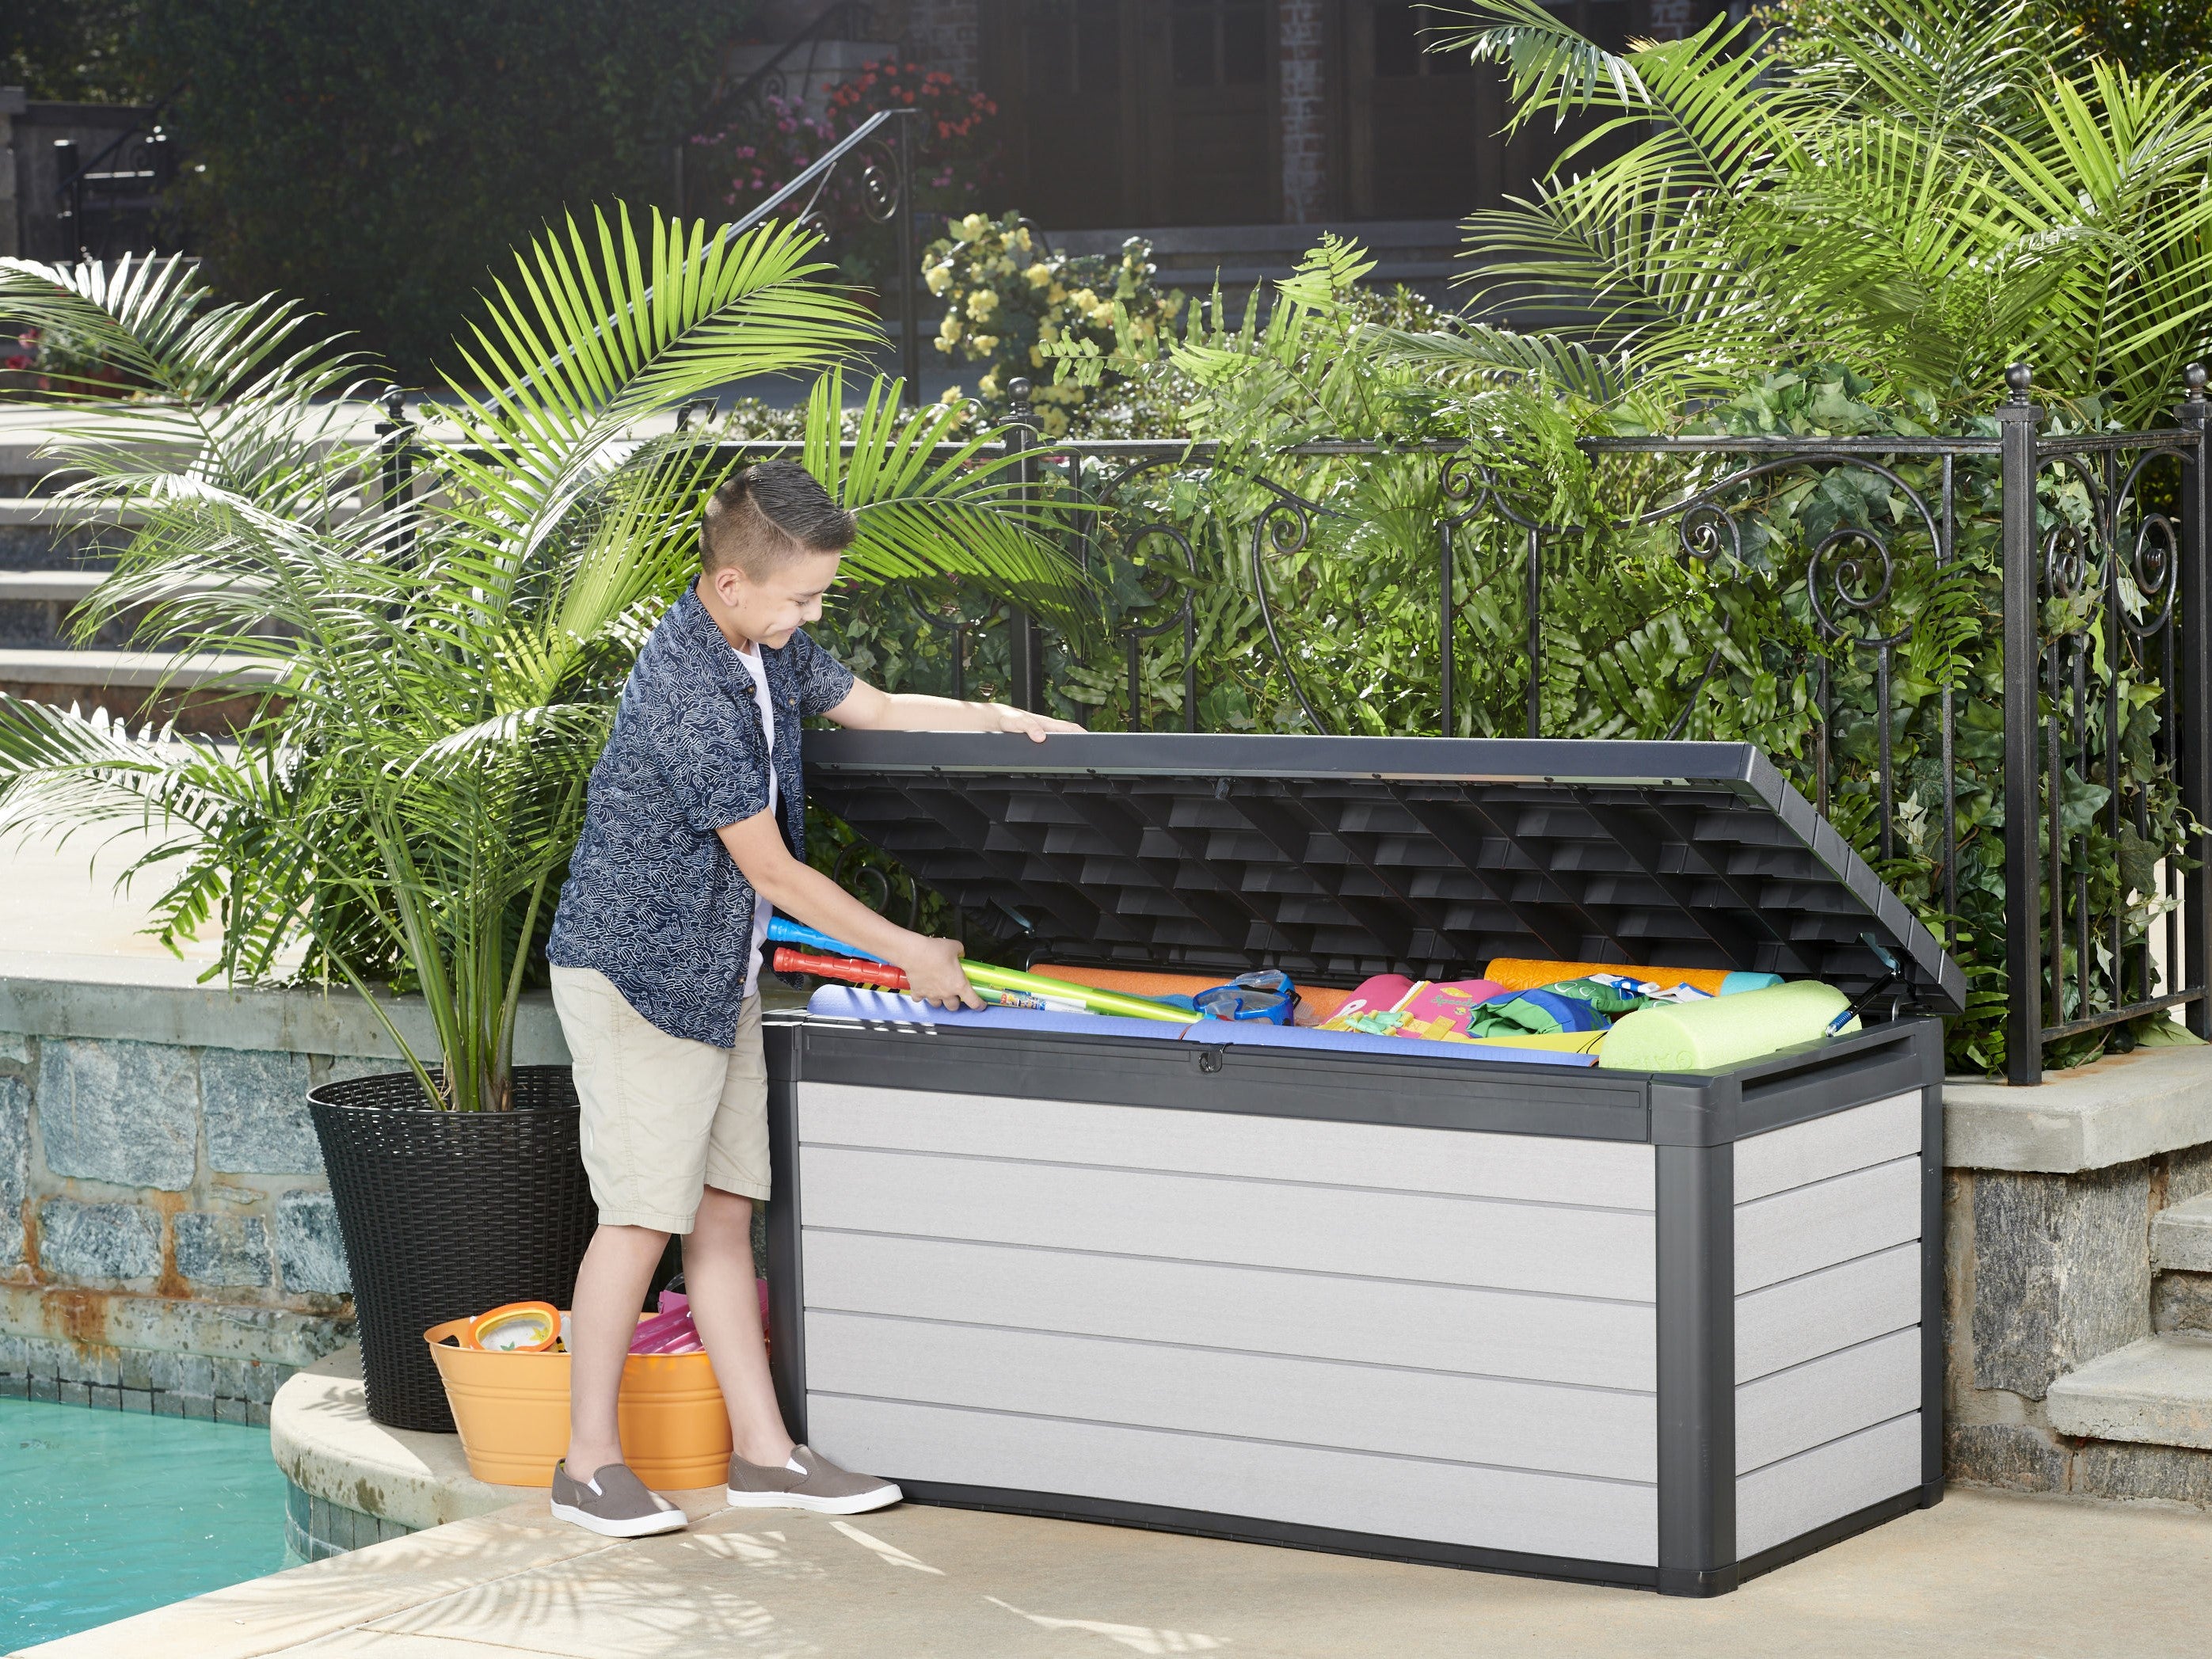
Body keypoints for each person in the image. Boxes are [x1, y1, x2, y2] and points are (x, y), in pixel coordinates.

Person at [541, 459, 1080, 1537]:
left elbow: (872, 706)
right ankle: (587, 1465)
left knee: (727, 1212)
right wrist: (908, 952)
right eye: (802, 596)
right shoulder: (687, 686)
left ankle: (765, 1455)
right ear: (731, 584)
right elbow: (774, 873)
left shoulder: (763, 647)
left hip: (715, 976)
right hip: (640, 980)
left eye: (820, 594)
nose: (814, 612)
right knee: (642, 1219)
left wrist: (992, 717)